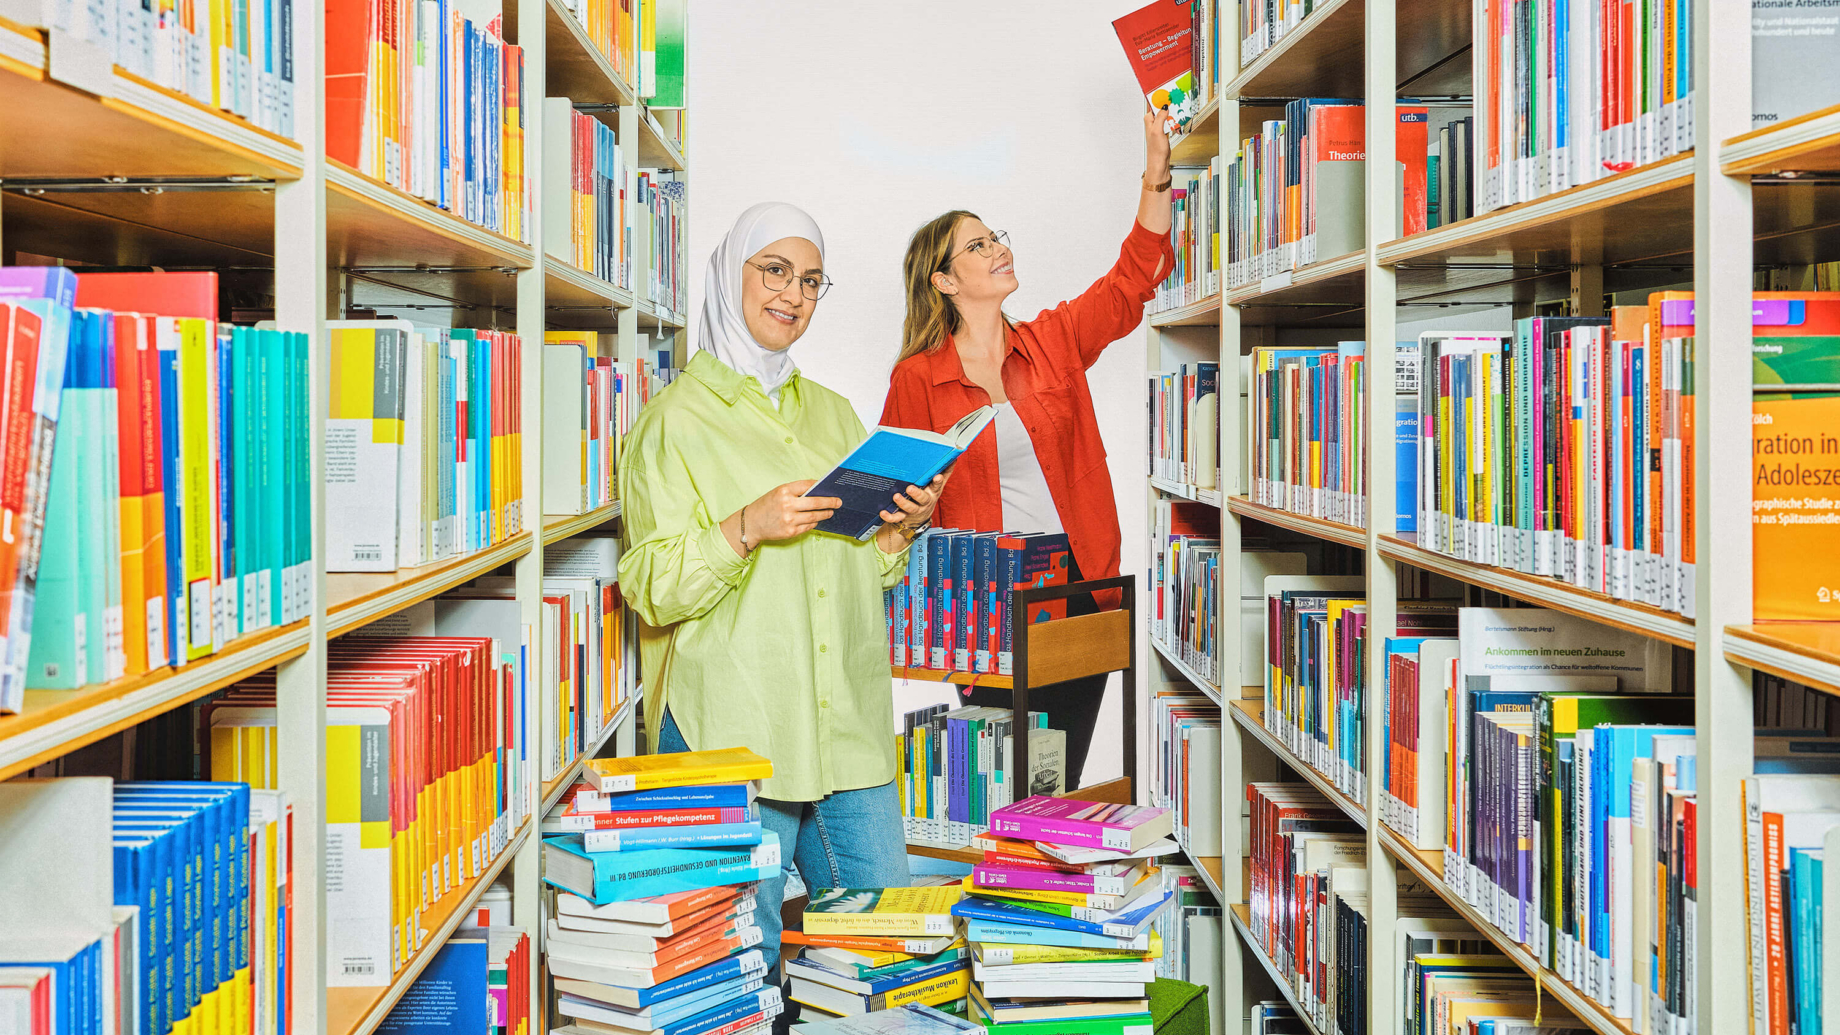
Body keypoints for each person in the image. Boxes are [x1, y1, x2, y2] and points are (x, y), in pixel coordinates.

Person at [616, 202, 945, 1024]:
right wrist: (743, 528)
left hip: (847, 724)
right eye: (774, 271)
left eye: (809, 280)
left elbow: (861, 567)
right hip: (734, 727)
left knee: (883, 960)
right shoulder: (671, 422)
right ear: (731, 274)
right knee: (737, 967)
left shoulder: (833, 413)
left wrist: (900, 529)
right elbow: (651, 587)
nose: (793, 294)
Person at [879, 105, 1176, 789]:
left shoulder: (1053, 340)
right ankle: (998, 890)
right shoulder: (916, 378)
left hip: (1079, 585)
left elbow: (1131, 281)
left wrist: (1155, 173)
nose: (998, 249)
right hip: (984, 599)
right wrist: (915, 511)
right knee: (1000, 777)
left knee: (1055, 777)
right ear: (944, 281)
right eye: (977, 246)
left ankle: (1044, 893)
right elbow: (893, 507)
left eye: (996, 237)